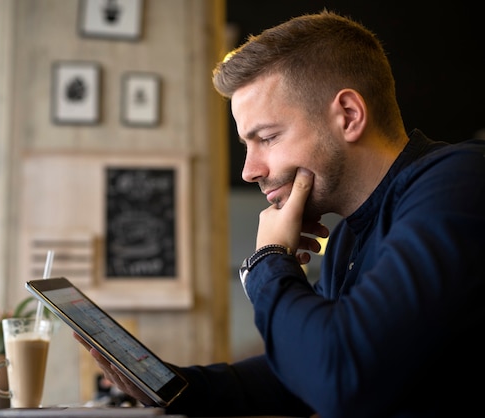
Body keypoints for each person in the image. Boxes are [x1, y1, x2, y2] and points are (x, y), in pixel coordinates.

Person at [75, 9, 485, 418]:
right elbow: (299, 370)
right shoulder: (347, 238)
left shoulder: (461, 182)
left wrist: (268, 262)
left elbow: (339, 376)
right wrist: (173, 387)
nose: (249, 170)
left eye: (267, 138)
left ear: (349, 116)